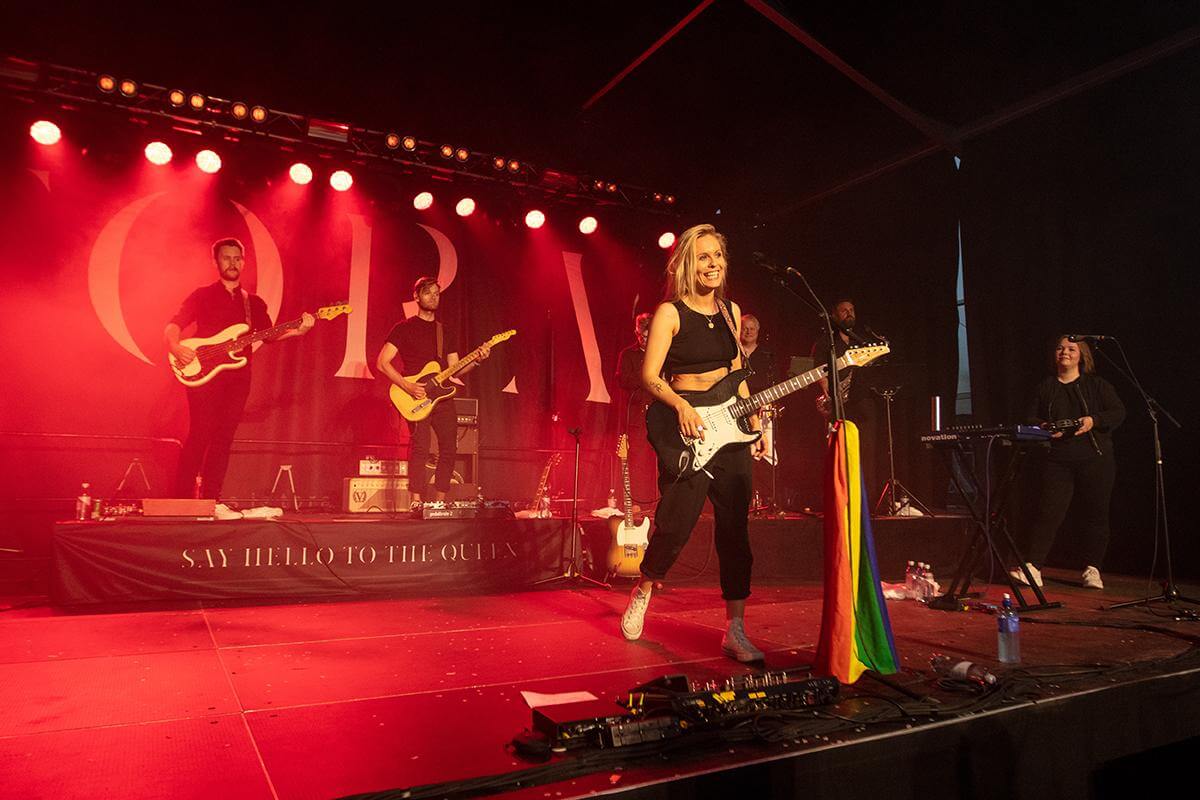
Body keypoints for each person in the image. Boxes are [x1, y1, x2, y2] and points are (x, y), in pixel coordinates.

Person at [620, 223, 768, 662]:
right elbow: (649, 377)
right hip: (688, 428)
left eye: (718, 256)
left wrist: (754, 419)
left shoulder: (731, 311)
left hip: (732, 429)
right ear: (688, 264)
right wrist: (681, 406)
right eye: (704, 256)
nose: (713, 264)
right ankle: (644, 586)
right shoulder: (669, 313)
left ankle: (735, 630)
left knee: (735, 531)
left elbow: (737, 373)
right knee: (676, 524)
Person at [166, 237, 314, 499]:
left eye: (237, 258)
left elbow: (269, 335)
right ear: (215, 262)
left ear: (243, 263)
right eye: (226, 258)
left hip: (238, 378)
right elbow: (174, 323)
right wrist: (175, 346)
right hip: (202, 373)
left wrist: (298, 331)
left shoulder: (253, 303)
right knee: (200, 433)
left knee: (224, 437)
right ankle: (181, 499)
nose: (232, 263)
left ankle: (212, 498)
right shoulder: (202, 295)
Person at [1013, 335, 1125, 589]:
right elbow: (1030, 417)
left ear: (1081, 355)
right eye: (1060, 348)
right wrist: (1044, 426)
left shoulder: (1097, 385)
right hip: (1058, 460)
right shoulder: (1046, 386)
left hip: (1095, 458)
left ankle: (1093, 569)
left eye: (1071, 349)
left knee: (1096, 514)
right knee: (1048, 512)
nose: (1064, 352)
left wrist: (1093, 420)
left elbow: (1118, 412)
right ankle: (1033, 567)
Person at [376, 277, 489, 505]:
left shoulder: (444, 331)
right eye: (428, 292)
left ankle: (439, 502)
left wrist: (477, 360)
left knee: (449, 447)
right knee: (421, 447)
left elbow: (455, 369)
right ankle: (416, 501)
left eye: (436, 293)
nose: (433, 297)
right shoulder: (403, 328)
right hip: (415, 395)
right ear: (416, 296)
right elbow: (382, 362)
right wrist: (407, 386)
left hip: (441, 397)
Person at [811, 298, 880, 503]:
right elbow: (819, 372)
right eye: (844, 310)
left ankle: (867, 501)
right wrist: (828, 395)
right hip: (838, 404)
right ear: (834, 315)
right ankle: (839, 500)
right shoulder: (825, 342)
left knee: (867, 452)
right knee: (839, 453)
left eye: (852, 310)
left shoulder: (862, 341)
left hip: (863, 403)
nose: (849, 313)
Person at [615, 312, 656, 502]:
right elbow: (623, 379)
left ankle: (658, 501)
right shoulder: (628, 354)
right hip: (638, 417)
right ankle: (638, 500)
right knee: (638, 460)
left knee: (659, 460)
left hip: (658, 415)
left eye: (649, 337)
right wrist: (647, 377)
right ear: (636, 333)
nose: (645, 340)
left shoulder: (662, 353)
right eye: (642, 336)